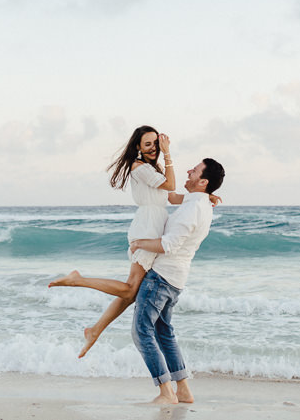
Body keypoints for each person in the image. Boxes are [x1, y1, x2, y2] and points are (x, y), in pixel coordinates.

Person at [48, 126, 217, 357]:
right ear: (138, 147)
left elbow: (173, 196)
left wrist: (203, 196)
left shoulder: (151, 169)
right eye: (148, 144)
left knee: (131, 293)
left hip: (154, 225)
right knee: (130, 289)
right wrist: (168, 154)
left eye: (156, 144)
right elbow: (169, 185)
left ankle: (95, 330)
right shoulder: (138, 167)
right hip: (148, 227)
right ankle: (78, 282)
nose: (153, 148)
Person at [128, 157, 224, 404]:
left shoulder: (193, 209)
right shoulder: (198, 203)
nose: (189, 170)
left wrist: (138, 243)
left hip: (162, 278)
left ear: (203, 181)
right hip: (176, 279)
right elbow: (170, 197)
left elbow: (168, 245)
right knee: (164, 332)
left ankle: (165, 392)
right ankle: (183, 390)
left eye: (195, 170)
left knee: (141, 331)